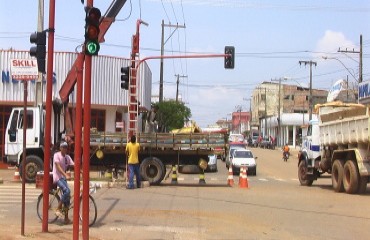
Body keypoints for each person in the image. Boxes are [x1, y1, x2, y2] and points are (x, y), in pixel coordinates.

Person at [52, 141, 74, 224]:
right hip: (57, 178)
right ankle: (58, 208)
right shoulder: (56, 155)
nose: (65, 149)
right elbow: (58, 167)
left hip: (63, 178)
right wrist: (66, 175)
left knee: (67, 197)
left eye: (66, 147)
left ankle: (66, 218)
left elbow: (74, 165)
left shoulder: (67, 157)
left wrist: (82, 172)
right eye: (63, 147)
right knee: (67, 191)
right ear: (60, 148)